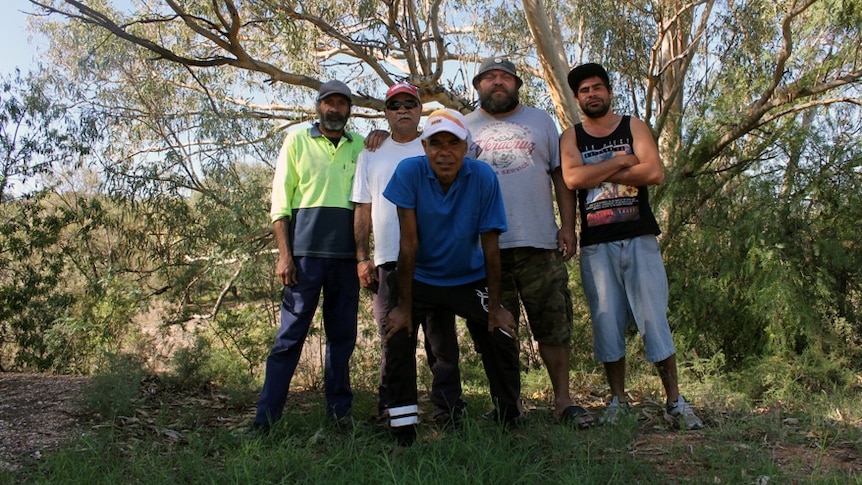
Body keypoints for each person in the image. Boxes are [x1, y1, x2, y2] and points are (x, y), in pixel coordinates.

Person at [560, 63, 703, 429]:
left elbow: (653, 172)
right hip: (596, 245)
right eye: (585, 90)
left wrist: (603, 168)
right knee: (606, 323)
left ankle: (675, 400)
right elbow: (573, 178)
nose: (592, 94)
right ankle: (618, 400)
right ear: (577, 99)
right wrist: (624, 160)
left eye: (598, 88)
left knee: (654, 318)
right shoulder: (572, 137)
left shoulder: (633, 126)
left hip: (639, 237)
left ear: (609, 91)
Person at [465, 57, 594, 427]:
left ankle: (563, 402)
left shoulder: (541, 121)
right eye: (489, 77)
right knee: (497, 330)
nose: (498, 82)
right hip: (485, 248)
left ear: (517, 84)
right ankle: (509, 405)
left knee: (553, 323)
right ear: (478, 86)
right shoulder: (464, 127)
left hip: (539, 240)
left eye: (505, 77)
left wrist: (567, 226)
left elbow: (561, 177)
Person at [382, 109, 522, 446]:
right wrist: (403, 305)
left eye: (453, 144)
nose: (445, 153)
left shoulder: (483, 176)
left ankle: (509, 416)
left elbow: (490, 245)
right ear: (425, 147)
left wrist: (496, 305)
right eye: (436, 144)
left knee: (500, 332)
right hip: (421, 276)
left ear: (466, 148)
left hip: (468, 276)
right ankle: (403, 429)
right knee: (397, 333)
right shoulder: (409, 172)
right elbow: (408, 242)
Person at [252, 80, 365, 433]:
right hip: (304, 259)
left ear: (349, 110)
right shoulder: (297, 141)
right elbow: (280, 204)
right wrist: (284, 256)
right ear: (318, 107)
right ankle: (265, 421)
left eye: (341, 104)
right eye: (328, 102)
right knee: (288, 339)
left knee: (342, 339)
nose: (335, 109)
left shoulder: (360, 145)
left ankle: (339, 417)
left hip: (346, 260)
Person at [350, 82, 465, 425]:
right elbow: (363, 207)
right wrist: (362, 257)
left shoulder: (433, 146)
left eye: (409, 104)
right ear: (386, 113)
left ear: (419, 111)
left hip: (434, 260)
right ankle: (394, 410)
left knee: (440, 341)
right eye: (394, 105)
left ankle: (448, 410)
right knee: (394, 337)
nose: (402, 110)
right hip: (388, 261)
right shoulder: (371, 152)